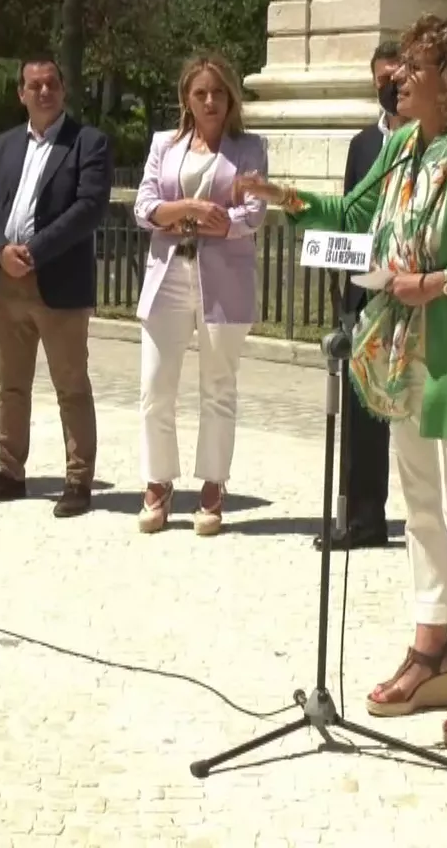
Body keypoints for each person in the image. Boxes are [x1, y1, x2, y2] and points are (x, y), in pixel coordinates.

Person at [239, 14, 447, 751]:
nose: (397, 77)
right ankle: (430, 646)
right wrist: (285, 197)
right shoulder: (404, 145)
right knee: (419, 507)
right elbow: (353, 214)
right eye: (399, 67)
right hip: (400, 351)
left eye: (413, 67)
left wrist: (442, 283)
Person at [128, 55, 267, 536]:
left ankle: (212, 486)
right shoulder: (164, 145)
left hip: (222, 278)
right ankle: (158, 483)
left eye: (219, 93)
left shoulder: (249, 148)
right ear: (187, 97)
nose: (210, 101)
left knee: (218, 387)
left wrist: (228, 223)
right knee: (155, 387)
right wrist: (183, 208)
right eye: (201, 92)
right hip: (168, 274)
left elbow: (255, 210)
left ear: (231, 98)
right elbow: (144, 206)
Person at [0, 58, 111, 518]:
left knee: (70, 385)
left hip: (58, 281)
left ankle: (78, 480)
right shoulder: (7, 144)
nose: (44, 91)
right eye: (35, 85)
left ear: (64, 89)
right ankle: (10, 472)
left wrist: (33, 250)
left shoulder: (87, 142)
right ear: (21, 94)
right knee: (11, 385)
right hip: (5, 282)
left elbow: (90, 207)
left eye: (52, 83)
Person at [322, 40, 405, 552]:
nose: (391, 88)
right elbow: (352, 216)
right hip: (365, 295)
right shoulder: (361, 145)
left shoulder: (432, 141)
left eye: (399, 77)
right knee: (359, 416)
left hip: (412, 292)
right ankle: (362, 518)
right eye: (382, 80)